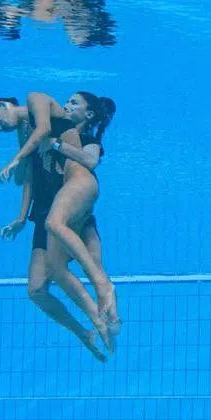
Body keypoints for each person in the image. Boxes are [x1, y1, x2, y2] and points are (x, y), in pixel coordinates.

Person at [0, 92, 111, 359]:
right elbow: (27, 180)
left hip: (72, 211)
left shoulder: (67, 133)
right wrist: (21, 217)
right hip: (45, 214)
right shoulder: (31, 137)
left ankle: (108, 318)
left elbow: (87, 162)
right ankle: (84, 331)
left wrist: (23, 155)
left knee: (92, 266)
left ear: (5, 104)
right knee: (36, 290)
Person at [43, 91, 122, 351]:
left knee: (96, 265)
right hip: (72, 206)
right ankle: (102, 323)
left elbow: (89, 160)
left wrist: (55, 144)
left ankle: (111, 312)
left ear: (89, 115)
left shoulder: (90, 141)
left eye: (74, 103)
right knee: (58, 271)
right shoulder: (62, 137)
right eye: (66, 101)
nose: (66, 105)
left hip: (84, 208)